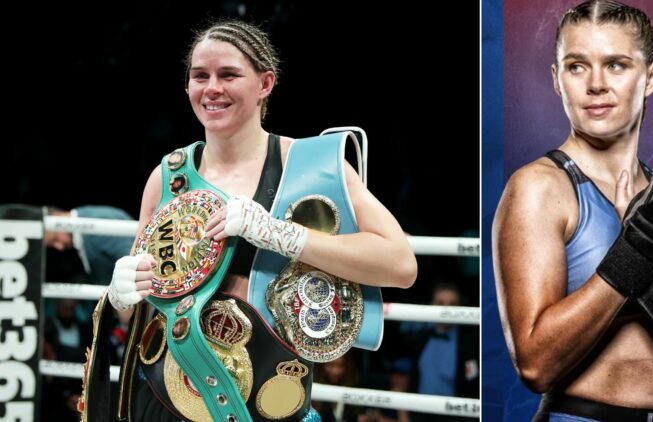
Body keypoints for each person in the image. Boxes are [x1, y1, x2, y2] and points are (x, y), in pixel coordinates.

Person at [88, 18, 417, 422]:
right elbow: (143, 309)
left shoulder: (310, 166)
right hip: (162, 399)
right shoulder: (168, 178)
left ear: (265, 84)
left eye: (229, 75)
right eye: (199, 76)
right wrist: (124, 293)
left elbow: (401, 265)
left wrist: (279, 235)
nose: (212, 88)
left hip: (268, 401)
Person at [492, 1, 653, 420]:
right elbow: (535, 365)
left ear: (650, 77)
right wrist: (631, 258)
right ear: (557, 79)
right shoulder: (541, 188)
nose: (596, 84)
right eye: (577, 66)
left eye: (616, 65)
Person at [410, 282, 479, 422]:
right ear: (432, 305)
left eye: (452, 304)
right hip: (420, 413)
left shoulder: (472, 342)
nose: (446, 309)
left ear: (460, 307)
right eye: (440, 303)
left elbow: (474, 385)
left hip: (454, 416)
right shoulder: (421, 337)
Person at [44, 205, 135, 286]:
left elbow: (135, 264)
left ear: (56, 218)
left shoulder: (96, 225)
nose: (60, 247)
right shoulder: (86, 221)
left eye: (55, 239)